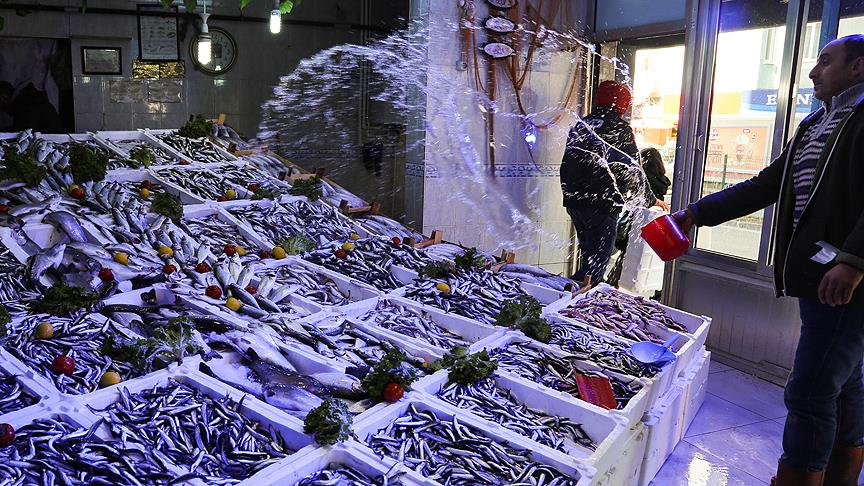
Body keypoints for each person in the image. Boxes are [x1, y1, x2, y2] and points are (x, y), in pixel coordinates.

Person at [673, 34, 864, 486]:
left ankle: (801, 476)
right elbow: (764, 186)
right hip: (821, 278)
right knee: (845, 383)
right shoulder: (818, 123)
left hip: (846, 282)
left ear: (858, 68)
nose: (815, 72)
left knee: (811, 390)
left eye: (825, 61)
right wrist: (695, 213)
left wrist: (854, 261)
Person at [560, 80, 651, 283]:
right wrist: (650, 200)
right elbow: (631, 169)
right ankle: (565, 298)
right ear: (622, 104)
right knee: (599, 260)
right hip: (601, 203)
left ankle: (573, 297)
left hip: (575, 202)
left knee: (589, 257)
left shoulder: (583, 123)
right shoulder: (619, 128)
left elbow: (572, 161)